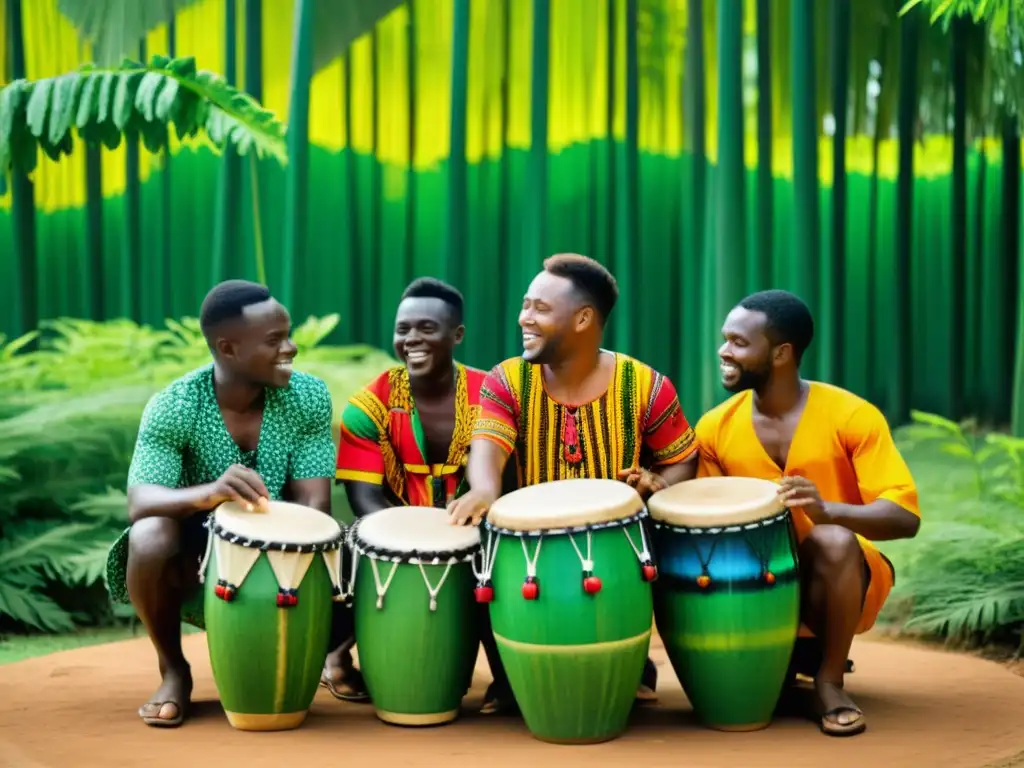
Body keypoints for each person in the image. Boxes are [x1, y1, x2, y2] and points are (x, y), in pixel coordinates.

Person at [104, 280, 366, 727]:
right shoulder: (176, 405)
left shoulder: (307, 396)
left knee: (368, 546)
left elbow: (314, 505)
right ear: (228, 348)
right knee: (148, 534)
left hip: (289, 553)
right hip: (196, 555)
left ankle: (330, 656)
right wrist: (209, 494)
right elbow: (140, 500)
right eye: (274, 340)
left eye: (288, 334)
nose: (292, 347)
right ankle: (174, 671)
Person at [447, 253, 700, 709]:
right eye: (525, 305)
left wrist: (656, 481)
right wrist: (484, 490)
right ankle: (508, 673)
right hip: (525, 545)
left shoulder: (646, 386)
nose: (525, 318)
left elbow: (683, 459)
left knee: (666, 534)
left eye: (541, 309)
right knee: (477, 540)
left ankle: (632, 662)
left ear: (584, 318)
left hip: (616, 546)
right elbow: (488, 447)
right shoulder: (507, 380)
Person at [694, 289, 920, 737]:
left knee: (832, 539)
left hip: (838, 582)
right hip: (755, 587)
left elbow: (904, 517)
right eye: (725, 339)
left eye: (739, 342)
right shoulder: (715, 427)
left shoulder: (851, 415)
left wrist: (827, 510)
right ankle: (773, 671)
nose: (724, 350)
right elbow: (702, 516)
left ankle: (829, 682)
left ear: (781, 353)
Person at [333, 276, 516, 714]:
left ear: (457, 335)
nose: (411, 339)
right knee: (345, 548)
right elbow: (366, 503)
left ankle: (506, 678)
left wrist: (458, 536)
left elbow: (498, 482)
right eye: (403, 329)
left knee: (500, 558)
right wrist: (418, 544)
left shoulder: (490, 394)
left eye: (426, 329)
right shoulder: (368, 406)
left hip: (477, 529)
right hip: (392, 534)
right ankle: (338, 653)